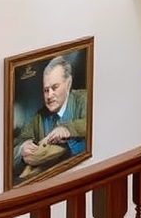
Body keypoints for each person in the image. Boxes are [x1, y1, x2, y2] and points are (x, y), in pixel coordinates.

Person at [14, 55, 88, 184]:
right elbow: (18, 142)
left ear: (68, 83)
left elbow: (92, 123)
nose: (49, 95)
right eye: (46, 90)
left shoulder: (84, 99)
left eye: (55, 87)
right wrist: (22, 148)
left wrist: (67, 129)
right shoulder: (39, 117)